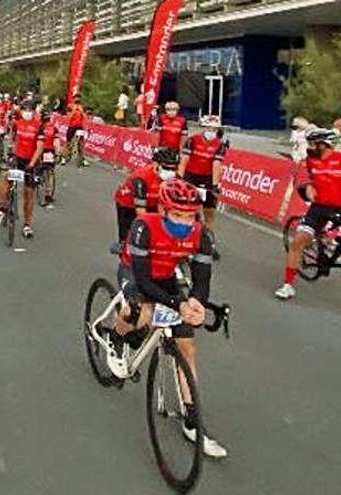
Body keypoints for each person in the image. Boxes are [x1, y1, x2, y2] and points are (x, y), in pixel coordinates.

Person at [113, 179, 227, 458]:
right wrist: (178, 303)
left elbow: (201, 281)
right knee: (140, 312)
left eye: (190, 216)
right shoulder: (143, 227)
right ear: (163, 210)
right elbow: (142, 280)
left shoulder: (202, 236)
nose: (185, 222)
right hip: (136, 274)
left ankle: (192, 421)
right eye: (178, 214)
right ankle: (115, 337)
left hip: (166, 278)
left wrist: (195, 304)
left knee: (187, 348)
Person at [275, 128, 341, 300]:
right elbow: (301, 178)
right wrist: (307, 186)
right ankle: (288, 285)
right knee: (298, 241)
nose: (309, 147)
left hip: (339, 207)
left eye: (313, 144)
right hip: (318, 208)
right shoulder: (310, 161)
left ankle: (329, 243)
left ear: (324, 144)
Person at [0, 100, 43, 238]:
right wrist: (9, 153)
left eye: (30, 110)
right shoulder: (17, 124)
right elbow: (13, 139)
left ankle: (27, 225)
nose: (27, 112)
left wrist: (32, 163)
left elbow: (39, 148)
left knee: (28, 193)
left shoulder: (39, 126)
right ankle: (2, 208)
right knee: (5, 178)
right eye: (24, 109)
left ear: (34, 111)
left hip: (31, 161)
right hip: (17, 158)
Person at [113, 147, 180, 247]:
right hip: (128, 204)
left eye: (173, 168)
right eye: (167, 168)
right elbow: (141, 214)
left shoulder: (175, 178)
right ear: (156, 164)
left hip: (153, 201)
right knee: (132, 235)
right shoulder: (141, 179)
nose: (171, 172)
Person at [178, 115, 228, 237]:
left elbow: (216, 164)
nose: (211, 132)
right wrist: (179, 177)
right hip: (191, 176)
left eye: (214, 129)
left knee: (210, 213)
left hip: (208, 178)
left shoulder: (220, 145)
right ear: (203, 128)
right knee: (188, 209)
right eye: (208, 128)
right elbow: (184, 160)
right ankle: (185, 237)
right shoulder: (192, 140)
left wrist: (215, 185)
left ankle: (209, 241)